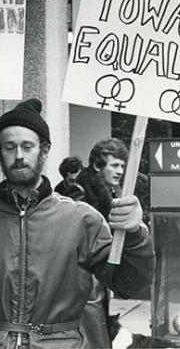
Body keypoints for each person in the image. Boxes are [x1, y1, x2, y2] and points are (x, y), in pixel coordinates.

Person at [0, 98, 154, 349]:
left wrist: (135, 235)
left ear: (45, 149)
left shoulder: (82, 220)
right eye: (9, 147)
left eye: (27, 146)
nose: (19, 155)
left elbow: (130, 283)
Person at [65, 137, 130, 348]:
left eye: (122, 165)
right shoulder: (79, 193)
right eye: (115, 165)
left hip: (98, 276)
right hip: (79, 280)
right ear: (96, 165)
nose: (120, 171)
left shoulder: (109, 195)